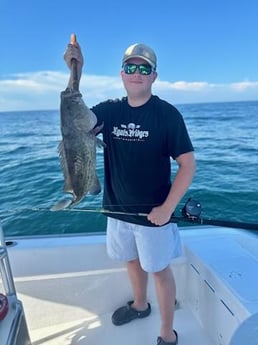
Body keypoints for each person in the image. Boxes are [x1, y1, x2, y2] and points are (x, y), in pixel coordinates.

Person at [64, 41, 196, 345]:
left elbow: (188, 165)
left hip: (155, 216)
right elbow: (76, 121)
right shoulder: (109, 110)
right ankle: (140, 305)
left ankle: (167, 333)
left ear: (153, 76)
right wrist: (76, 72)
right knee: (131, 261)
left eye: (143, 68)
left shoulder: (167, 115)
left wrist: (167, 208)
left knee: (159, 271)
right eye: (130, 67)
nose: (136, 73)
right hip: (117, 210)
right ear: (121, 74)